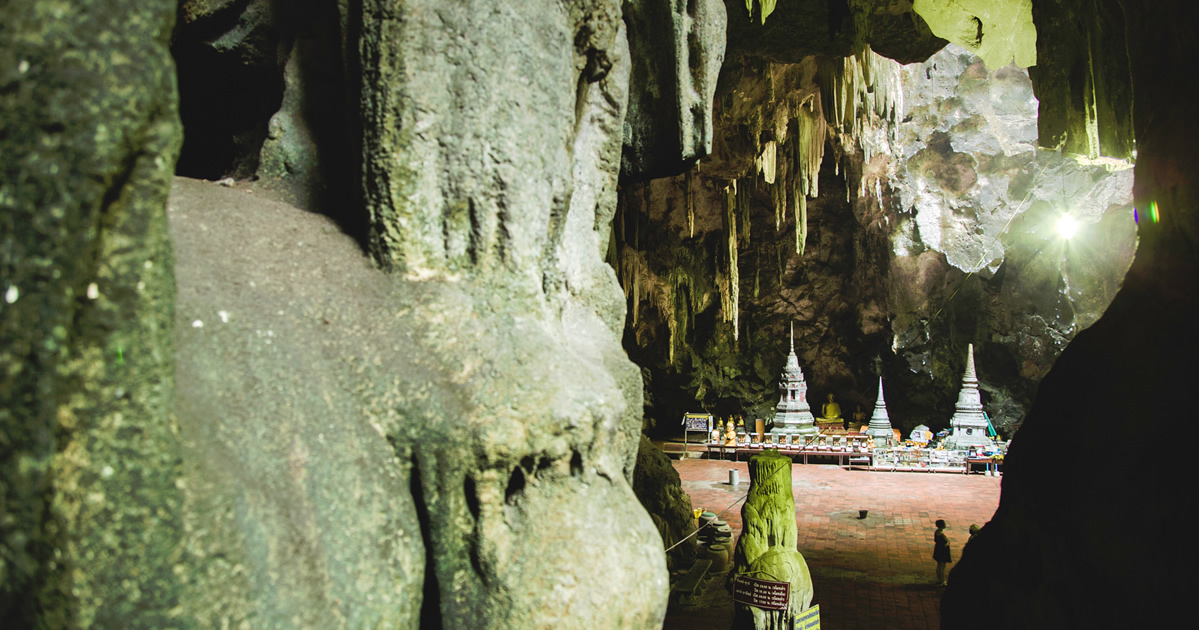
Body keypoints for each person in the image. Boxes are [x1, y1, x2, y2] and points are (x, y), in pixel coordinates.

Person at [933, 519, 951, 586]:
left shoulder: (936, 532)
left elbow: (935, 540)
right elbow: (947, 542)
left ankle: (938, 579)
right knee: (942, 567)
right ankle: (942, 581)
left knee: (938, 565)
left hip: (938, 549)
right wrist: (947, 542)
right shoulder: (942, 534)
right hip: (943, 551)